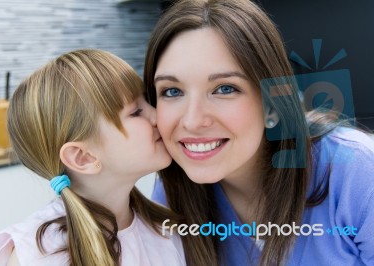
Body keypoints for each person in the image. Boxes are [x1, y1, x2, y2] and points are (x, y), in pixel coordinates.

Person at [143, 0, 374, 265]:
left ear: (272, 105)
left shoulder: (354, 173)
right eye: (172, 91)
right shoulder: (172, 191)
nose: (193, 121)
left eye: (225, 88)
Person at [0, 49, 190, 266]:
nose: (156, 114)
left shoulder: (165, 228)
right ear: (83, 157)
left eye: (147, 101)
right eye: (136, 112)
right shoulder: (38, 254)